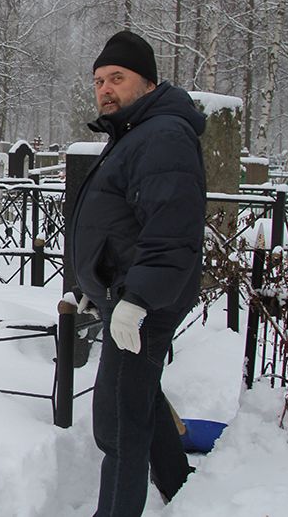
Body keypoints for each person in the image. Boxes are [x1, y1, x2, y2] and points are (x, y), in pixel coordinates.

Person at [66, 31, 206, 516]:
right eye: (99, 80)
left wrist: (138, 299)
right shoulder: (136, 132)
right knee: (137, 394)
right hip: (125, 294)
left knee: (117, 423)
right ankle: (178, 484)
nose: (105, 88)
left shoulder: (162, 134)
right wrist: (93, 283)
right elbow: (121, 221)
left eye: (117, 78)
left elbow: (172, 227)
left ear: (147, 82)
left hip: (142, 300)